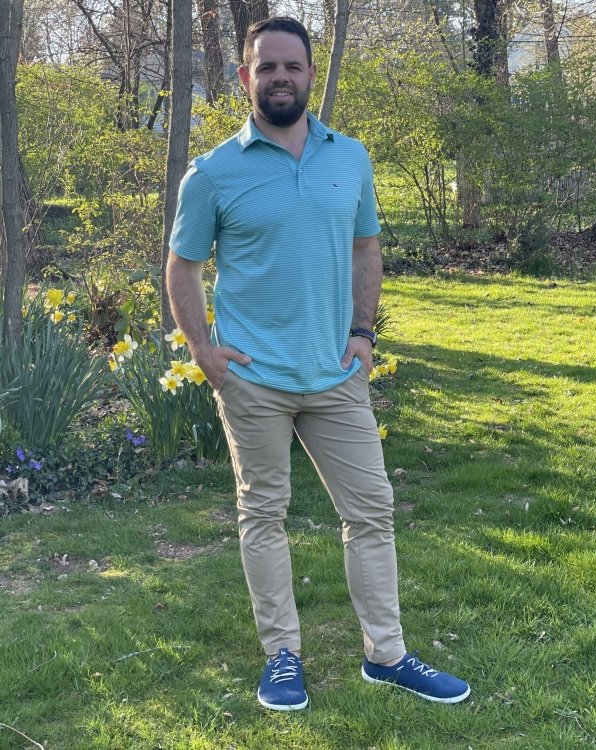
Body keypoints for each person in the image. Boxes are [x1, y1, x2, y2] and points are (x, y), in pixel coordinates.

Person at [166, 16, 470, 711]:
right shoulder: (212, 172)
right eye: (264, 66)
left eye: (292, 66)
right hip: (254, 380)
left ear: (309, 73)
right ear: (244, 78)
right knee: (263, 514)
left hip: (336, 376)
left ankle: (386, 655)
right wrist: (204, 352)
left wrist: (364, 334)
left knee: (372, 512)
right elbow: (180, 267)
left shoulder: (350, 158)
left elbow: (367, 248)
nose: (279, 77)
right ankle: (282, 657)